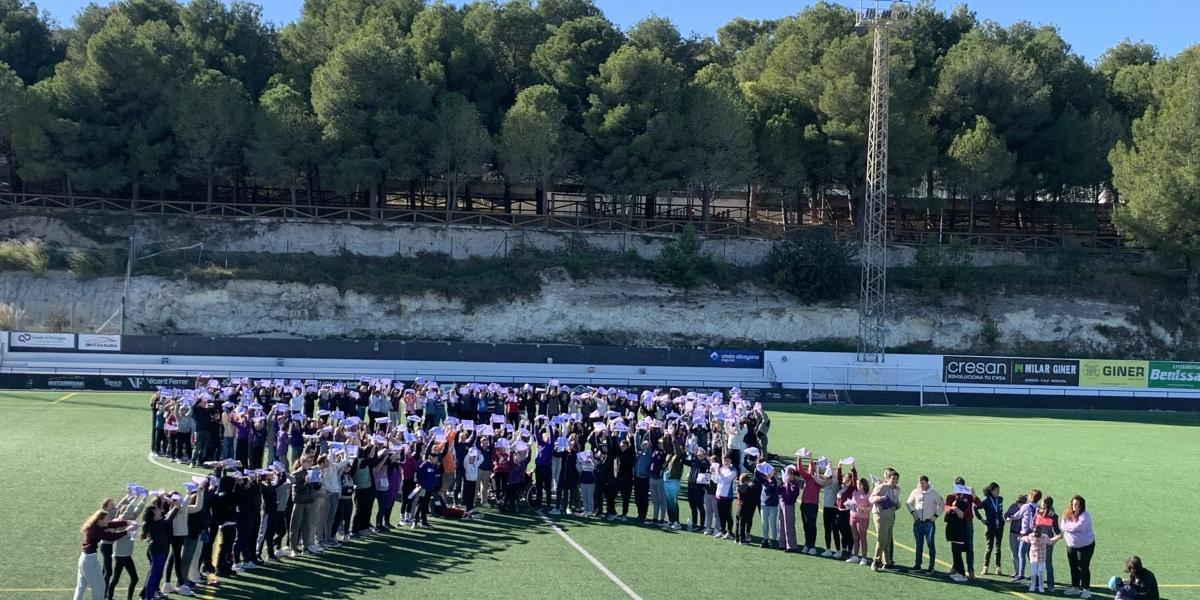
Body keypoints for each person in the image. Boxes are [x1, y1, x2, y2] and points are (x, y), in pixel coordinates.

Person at [906, 475, 943, 574]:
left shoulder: (934, 493)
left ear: (927, 483)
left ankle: (931, 567)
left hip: (929, 523)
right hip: (918, 522)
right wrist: (913, 513)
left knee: (931, 544)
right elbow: (908, 503)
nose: (920, 485)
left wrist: (935, 516)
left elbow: (941, 505)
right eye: (919, 483)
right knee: (919, 544)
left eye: (922, 483)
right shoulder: (915, 492)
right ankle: (917, 565)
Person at [1060, 495, 1096, 598]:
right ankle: (1075, 587)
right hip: (1071, 546)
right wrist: (1069, 526)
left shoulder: (1085, 515)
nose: (1074, 506)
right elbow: (1062, 525)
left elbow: (1078, 526)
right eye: (1073, 504)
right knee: (1073, 566)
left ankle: (1086, 589)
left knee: (1083, 567)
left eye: (1077, 504)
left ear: (1081, 505)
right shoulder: (1067, 513)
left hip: (1085, 546)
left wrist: (1068, 526)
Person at [869, 468, 900, 572]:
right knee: (882, 539)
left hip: (891, 515)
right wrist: (878, 498)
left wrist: (897, 504)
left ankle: (887, 562)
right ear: (888, 478)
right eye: (892, 478)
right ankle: (876, 561)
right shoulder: (881, 487)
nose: (894, 481)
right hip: (880, 514)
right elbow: (871, 498)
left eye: (896, 479)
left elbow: (895, 502)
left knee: (887, 540)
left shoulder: (897, 489)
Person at [979, 482, 1006, 576]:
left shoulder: (1000, 499)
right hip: (990, 526)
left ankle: (998, 568)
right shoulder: (986, 500)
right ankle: (985, 567)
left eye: (999, 490)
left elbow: (999, 511)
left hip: (1000, 526)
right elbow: (975, 507)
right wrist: (981, 519)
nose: (998, 492)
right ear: (991, 491)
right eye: (996, 490)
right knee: (989, 547)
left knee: (998, 547)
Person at [1023, 525, 1059, 593]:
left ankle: (1041, 586)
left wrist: (1057, 537)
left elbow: (1051, 542)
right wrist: (1020, 538)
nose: (1036, 534)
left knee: (1040, 572)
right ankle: (1032, 586)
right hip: (1033, 558)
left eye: (1038, 532)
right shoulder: (1031, 536)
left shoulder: (1044, 537)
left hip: (1042, 558)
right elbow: (1026, 538)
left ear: (1041, 531)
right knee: (1033, 573)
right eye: (1035, 532)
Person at [847, 476, 872, 566]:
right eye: (857, 484)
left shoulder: (868, 494)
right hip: (853, 516)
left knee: (862, 537)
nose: (858, 485)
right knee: (855, 537)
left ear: (864, 485)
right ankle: (855, 555)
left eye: (860, 484)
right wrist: (849, 505)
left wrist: (863, 509)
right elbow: (853, 503)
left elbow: (871, 507)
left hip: (863, 518)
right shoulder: (855, 492)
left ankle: (864, 557)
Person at [1004, 493, 1028, 579]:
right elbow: (1006, 514)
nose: (1018, 505)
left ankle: (1021, 573)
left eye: (1020, 504)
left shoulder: (1027, 508)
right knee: (1014, 553)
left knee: (1021, 554)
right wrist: (1007, 518)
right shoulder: (1013, 506)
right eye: (1018, 503)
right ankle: (1017, 572)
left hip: (1023, 534)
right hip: (1013, 533)